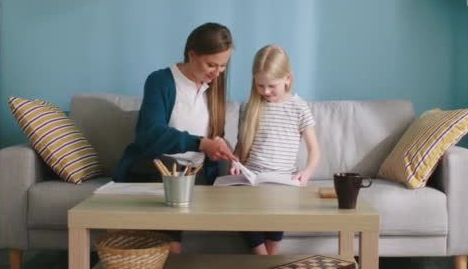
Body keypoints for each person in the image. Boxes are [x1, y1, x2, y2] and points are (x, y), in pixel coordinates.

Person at [113, 22, 237, 254]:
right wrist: (200, 142)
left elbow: (213, 138)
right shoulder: (160, 81)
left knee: (205, 179)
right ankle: (172, 251)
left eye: (222, 66)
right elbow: (149, 134)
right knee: (176, 175)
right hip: (154, 165)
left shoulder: (214, 88)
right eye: (211, 64)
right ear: (192, 54)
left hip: (195, 172)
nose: (217, 73)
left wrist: (220, 146)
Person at [230, 44, 320, 255]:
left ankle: (266, 260)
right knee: (238, 209)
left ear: (288, 79)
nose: (266, 92)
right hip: (251, 179)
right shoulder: (250, 107)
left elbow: (315, 150)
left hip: (282, 183)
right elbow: (241, 145)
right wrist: (234, 161)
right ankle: (264, 259)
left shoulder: (298, 107)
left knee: (275, 231)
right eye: (260, 86)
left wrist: (306, 173)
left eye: (272, 86)